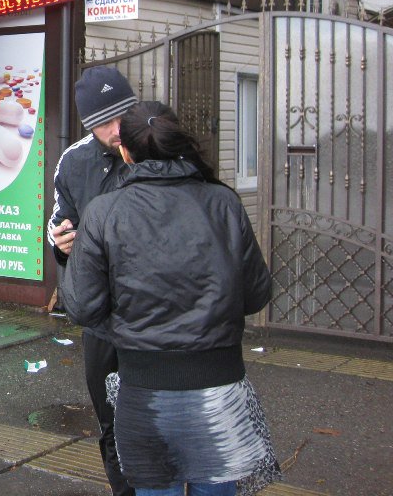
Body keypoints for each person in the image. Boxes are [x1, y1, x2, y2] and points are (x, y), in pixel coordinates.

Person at [61, 100, 277, 496]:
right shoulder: (224, 202)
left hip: (143, 396)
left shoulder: (104, 211)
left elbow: (80, 306)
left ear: (124, 151)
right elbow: (256, 294)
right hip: (221, 393)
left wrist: (128, 326)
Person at [47, 65, 138, 496]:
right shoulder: (74, 161)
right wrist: (60, 240)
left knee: (154, 418)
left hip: (153, 313)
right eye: (105, 122)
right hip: (101, 315)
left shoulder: (155, 147)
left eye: (124, 115)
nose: (118, 130)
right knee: (110, 419)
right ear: (88, 123)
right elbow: (59, 221)